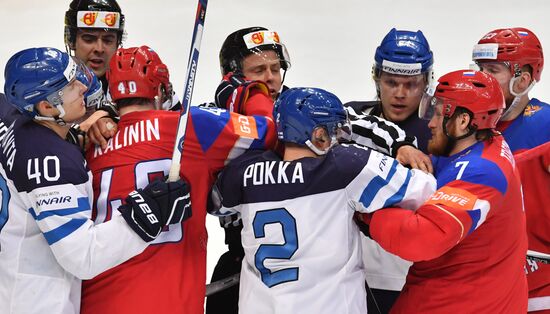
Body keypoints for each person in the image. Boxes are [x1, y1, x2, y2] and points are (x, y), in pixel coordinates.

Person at [206, 26, 430, 314]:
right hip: (247, 265)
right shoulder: (214, 121)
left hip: (310, 267)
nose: (271, 78)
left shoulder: (297, 107)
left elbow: (360, 123)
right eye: (259, 70)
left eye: (276, 68)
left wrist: (399, 143)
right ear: (234, 76)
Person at [80, 45, 277, 314]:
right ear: (160, 91)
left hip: (95, 301)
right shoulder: (191, 126)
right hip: (170, 302)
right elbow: (269, 130)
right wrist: (249, 91)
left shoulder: (89, 143)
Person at [0, 47, 190, 314]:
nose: (81, 86)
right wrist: (147, 215)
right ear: (45, 106)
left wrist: (79, 130)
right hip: (37, 302)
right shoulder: (51, 164)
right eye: (70, 86)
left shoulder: (13, 115)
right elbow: (81, 256)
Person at [362, 69, 528, 312]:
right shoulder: (482, 143)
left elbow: (420, 239)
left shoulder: (482, 172)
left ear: (462, 121)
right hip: (467, 296)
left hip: (459, 303)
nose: (429, 122)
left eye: (438, 114)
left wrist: (367, 213)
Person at [344, 28, 435, 313]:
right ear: (376, 77)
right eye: (391, 82)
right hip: (351, 275)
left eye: (411, 85)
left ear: (426, 82)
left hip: (413, 278)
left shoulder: (441, 131)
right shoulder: (351, 120)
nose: (399, 94)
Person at [472, 27, 550, 312]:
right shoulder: (465, 126)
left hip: (539, 286)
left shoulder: (547, 125)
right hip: (485, 281)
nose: (481, 79)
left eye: (492, 70)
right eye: (479, 69)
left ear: (524, 79)